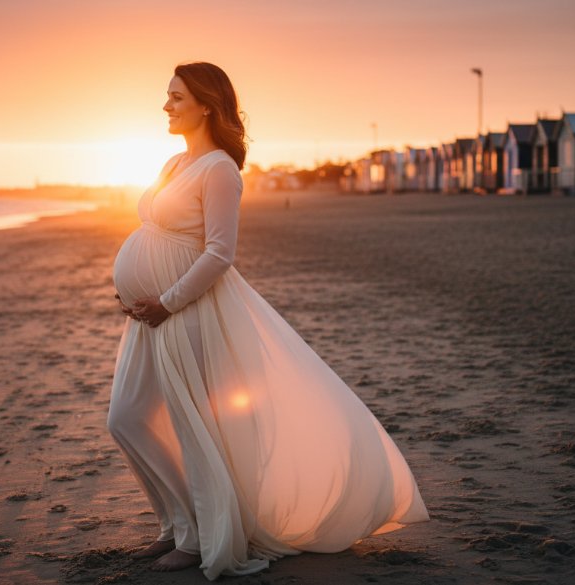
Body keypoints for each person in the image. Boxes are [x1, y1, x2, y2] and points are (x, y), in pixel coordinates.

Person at [107, 61, 429, 580]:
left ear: (206, 105)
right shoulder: (172, 162)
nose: (166, 106)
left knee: (193, 427)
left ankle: (196, 537)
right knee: (125, 418)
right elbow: (156, 232)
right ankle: (176, 524)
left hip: (184, 310)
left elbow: (219, 253)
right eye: (166, 96)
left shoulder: (219, 170)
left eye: (176, 97)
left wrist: (166, 299)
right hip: (146, 316)